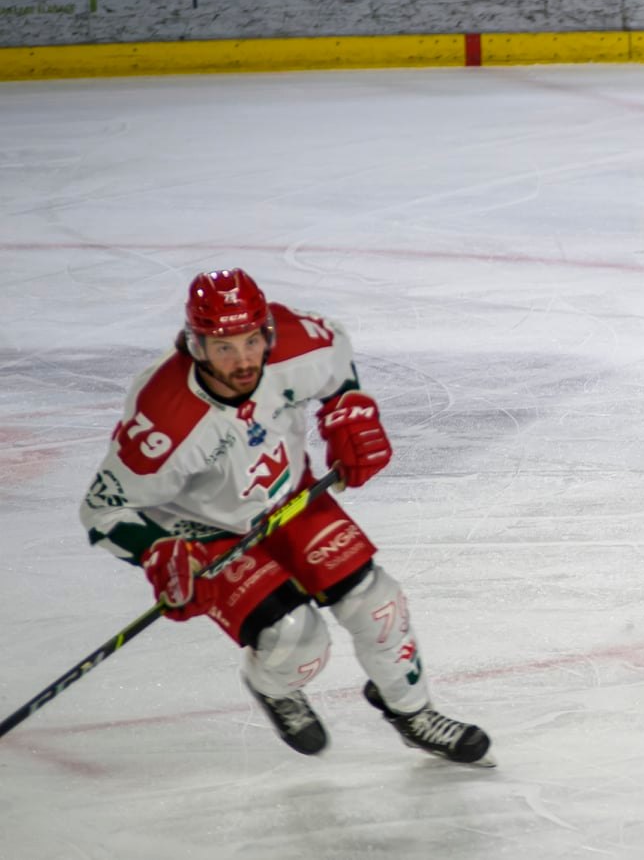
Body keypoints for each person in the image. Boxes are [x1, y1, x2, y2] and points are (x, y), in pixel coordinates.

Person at [79, 269, 492, 764]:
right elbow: (102, 509)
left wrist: (349, 408)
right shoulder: (164, 421)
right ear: (196, 344)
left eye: (252, 340)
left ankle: (412, 712)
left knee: (379, 604)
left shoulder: (294, 342)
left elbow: (337, 362)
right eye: (224, 347)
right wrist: (156, 551)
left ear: (267, 331)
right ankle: (273, 686)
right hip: (203, 531)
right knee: (296, 638)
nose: (243, 359)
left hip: (290, 500)